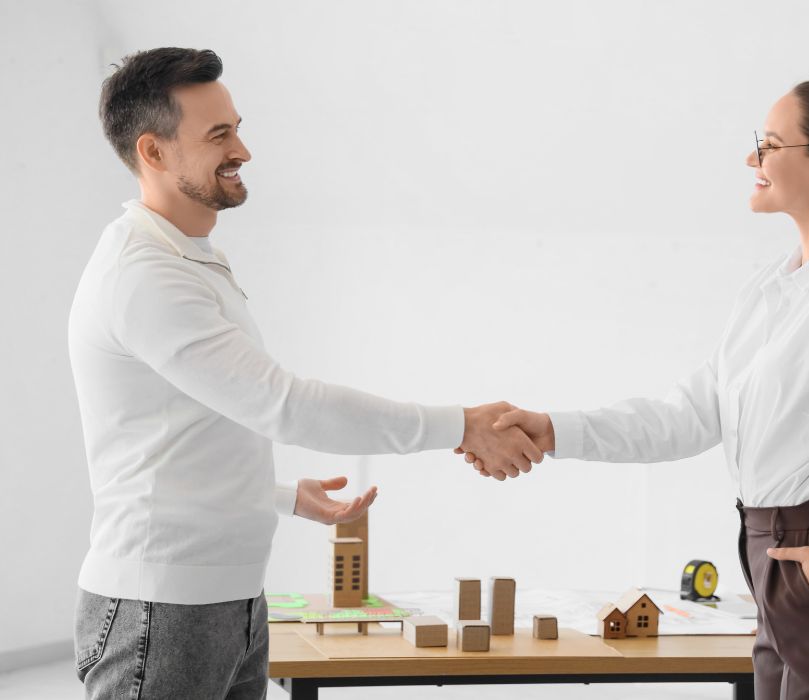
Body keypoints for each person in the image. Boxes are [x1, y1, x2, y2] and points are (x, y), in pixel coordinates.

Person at [460, 78, 809, 699]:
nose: (752, 160)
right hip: (780, 593)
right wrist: (554, 430)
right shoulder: (773, 290)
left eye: (768, 145)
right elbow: (691, 412)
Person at [69, 47, 541, 699]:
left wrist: (283, 495)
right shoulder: (145, 275)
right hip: (162, 611)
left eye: (237, 126)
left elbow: (186, 434)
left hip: (227, 600)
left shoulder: (194, 260)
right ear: (153, 152)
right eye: (219, 134)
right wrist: (463, 425)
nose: (244, 149)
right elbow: (284, 405)